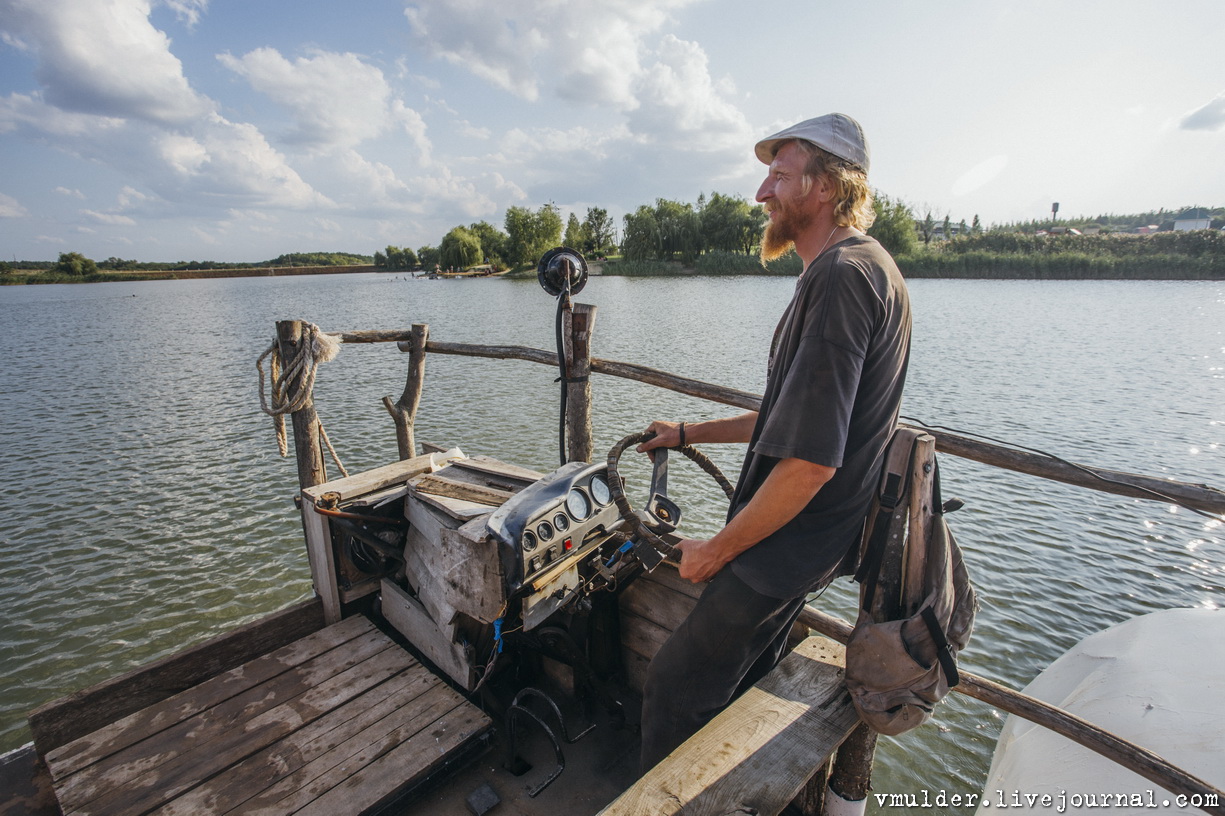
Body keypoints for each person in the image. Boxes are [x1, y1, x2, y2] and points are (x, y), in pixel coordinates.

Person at [635, 113, 912, 771]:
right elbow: (795, 417)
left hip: (779, 548)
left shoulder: (840, 278)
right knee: (737, 681)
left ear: (824, 187)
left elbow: (811, 462)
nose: (762, 193)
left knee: (674, 689)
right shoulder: (866, 267)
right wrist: (687, 433)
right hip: (805, 545)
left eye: (779, 176)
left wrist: (715, 550)